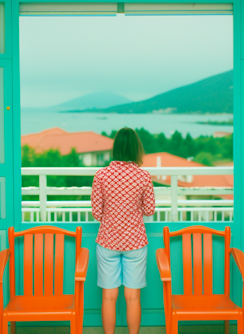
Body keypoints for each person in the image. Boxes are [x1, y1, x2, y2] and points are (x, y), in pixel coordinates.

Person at [91, 127, 156, 334]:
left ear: (115, 148)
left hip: (107, 240)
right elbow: (149, 210)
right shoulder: (143, 176)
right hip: (135, 242)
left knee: (109, 297)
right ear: (137, 149)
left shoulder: (101, 175)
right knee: (133, 297)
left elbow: (96, 213)